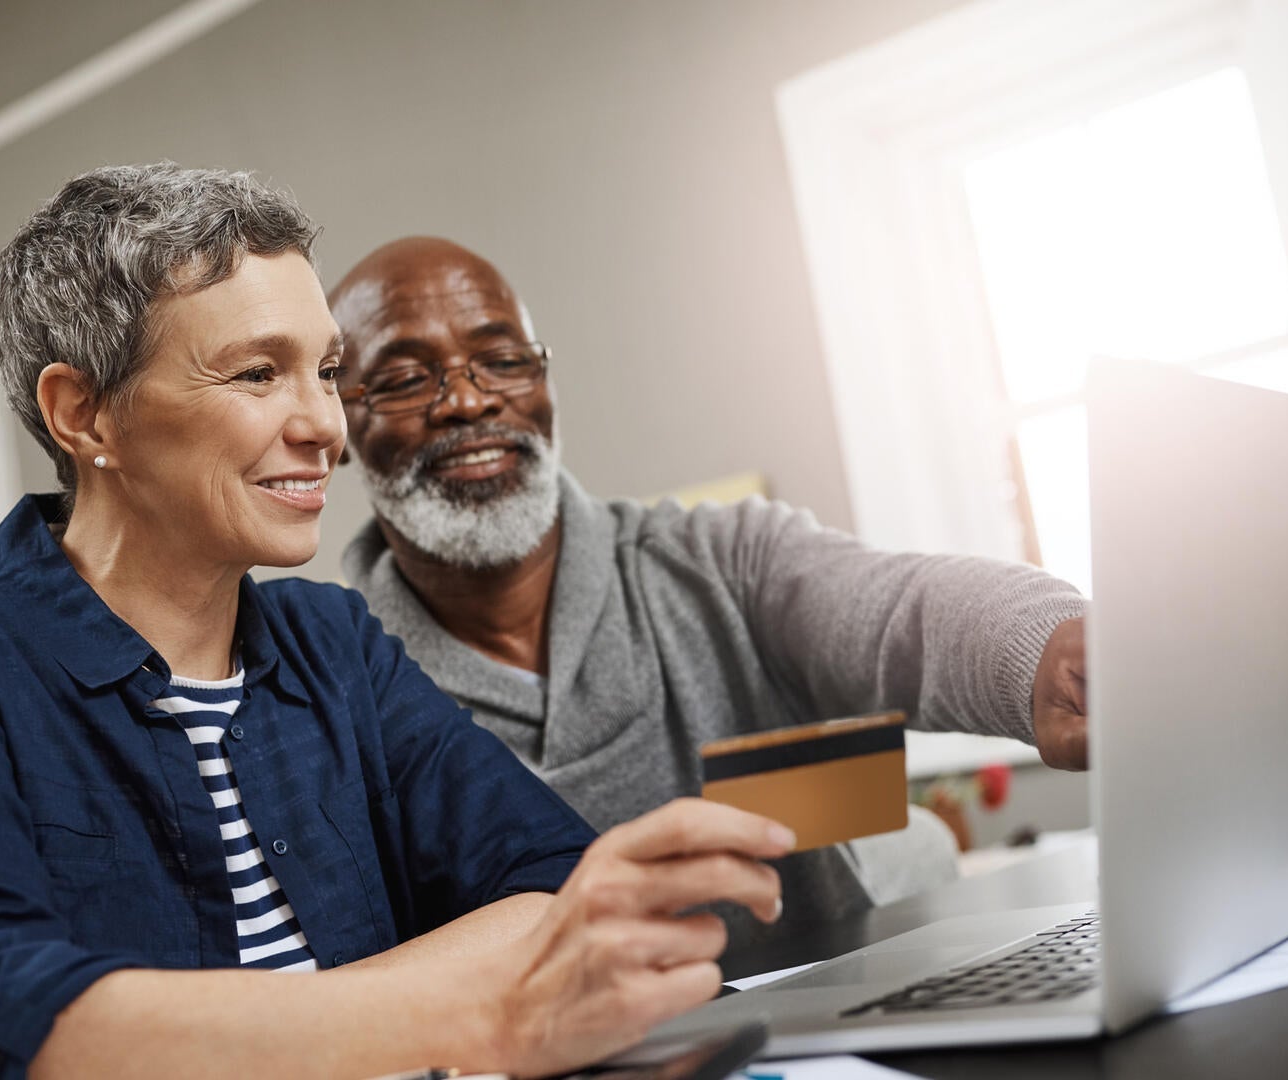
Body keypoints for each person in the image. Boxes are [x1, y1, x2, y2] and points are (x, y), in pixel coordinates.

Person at [0, 166, 790, 1080]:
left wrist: (260, 1028)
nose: (326, 424)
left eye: (324, 368)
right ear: (84, 416)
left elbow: (554, 889)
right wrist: (473, 1014)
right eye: (258, 374)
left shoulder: (333, 644)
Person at [328, 237, 1092, 945]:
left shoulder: (722, 560)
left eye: (503, 360)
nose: (468, 401)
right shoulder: (330, 693)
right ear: (338, 423)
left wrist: (1047, 653)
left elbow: (902, 612)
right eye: (403, 378)